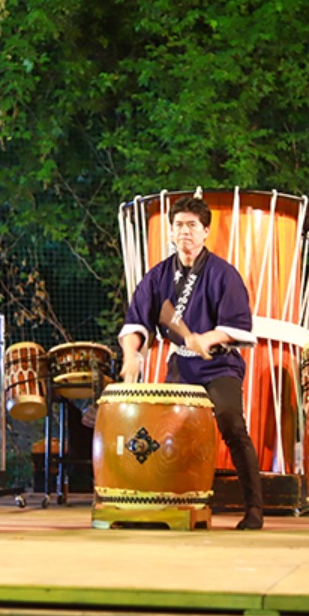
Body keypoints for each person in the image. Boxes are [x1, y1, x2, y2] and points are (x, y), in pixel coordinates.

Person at [117, 195, 264, 530]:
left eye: (192, 225)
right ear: (171, 231)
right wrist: (130, 355)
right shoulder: (157, 277)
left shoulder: (223, 274)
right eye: (179, 225)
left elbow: (237, 326)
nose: (184, 231)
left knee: (231, 423)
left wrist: (206, 338)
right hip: (182, 366)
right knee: (164, 432)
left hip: (219, 366)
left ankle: (254, 508)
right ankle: (166, 504)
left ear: (205, 231)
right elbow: (136, 322)